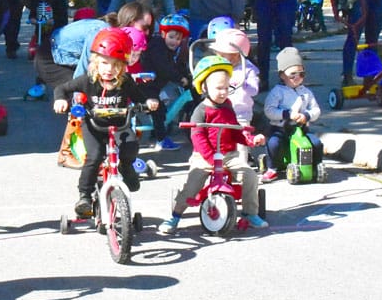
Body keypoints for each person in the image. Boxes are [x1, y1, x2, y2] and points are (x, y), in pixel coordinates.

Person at [52, 27, 159, 217]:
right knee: (95, 156)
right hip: (93, 125)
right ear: (95, 62)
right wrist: (61, 100)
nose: (109, 69)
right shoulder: (88, 81)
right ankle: (84, 195)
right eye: (104, 63)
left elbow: (139, 98)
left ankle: (127, 168)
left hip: (119, 124)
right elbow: (62, 88)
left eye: (115, 65)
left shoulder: (125, 81)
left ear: (123, 66)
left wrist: (147, 103)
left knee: (130, 146)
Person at [157, 55, 268, 235]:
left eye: (226, 88)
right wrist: (211, 158)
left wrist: (249, 140)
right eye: (218, 88)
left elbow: (235, 130)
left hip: (229, 155)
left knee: (250, 176)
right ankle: (175, 216)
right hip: (205, 156)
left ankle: (249, 213)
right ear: (204, 87)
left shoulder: (228, 107)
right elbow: (198, 137)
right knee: (193, 183)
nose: (223, 92)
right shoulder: (200, 111)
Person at [262, 47, 322, 182]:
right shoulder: (278, 92)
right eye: (293, 74)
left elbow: (316, 110)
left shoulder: (306, 92)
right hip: (280, 128)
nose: (297, 78)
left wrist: (306, 116)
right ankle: (272, 168)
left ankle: (316, 165)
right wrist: (286, 114)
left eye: (301, 74)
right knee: (273, 144)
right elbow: (269, 110)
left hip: (300, 129)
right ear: (282, 75)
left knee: (316, 143)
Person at [141, 13, 192, 151]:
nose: (174, 41)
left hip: (153, 85)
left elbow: (175, 65)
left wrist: (185, 74)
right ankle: (161, 139)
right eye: (171, 37)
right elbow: (164, 67)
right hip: (147, 84)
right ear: (163, 34)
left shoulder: (168, 50)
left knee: (161, 109)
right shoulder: (157, 47)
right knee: (157, 110)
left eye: (178, 39)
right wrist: (179, 78)